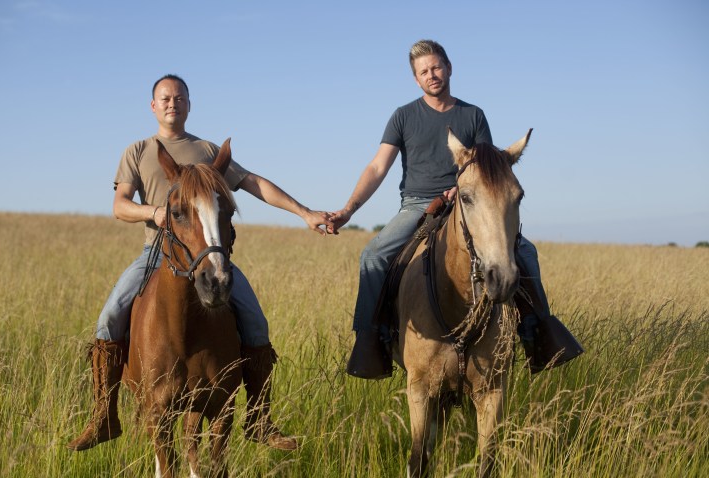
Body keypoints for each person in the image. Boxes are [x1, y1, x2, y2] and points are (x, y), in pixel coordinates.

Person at [68, 74, 331, 452]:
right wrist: (154, 212)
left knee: (255, 321)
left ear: (189, 105)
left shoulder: (208, 151)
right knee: (110, 317)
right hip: (157, 252)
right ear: (153, 106)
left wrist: (304, 212)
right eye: (165, 98)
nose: (172, 103)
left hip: (207, 253)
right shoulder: (138, 151)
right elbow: (119, 205)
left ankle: (259, 418)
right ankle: (103, 417)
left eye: (179, 98)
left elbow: (254, 184)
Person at [328, 40, 583, 379]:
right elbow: (377, 167)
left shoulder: (473, 114)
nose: (431, 75)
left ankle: (538, 334)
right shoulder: (403, 116)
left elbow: (487, 169)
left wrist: (461, 188)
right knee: (373, 256)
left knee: (525, 252)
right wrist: (348, 209)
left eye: (436, 67)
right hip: (419, 204)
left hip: (470, 201)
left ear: (449, 68)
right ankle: (372, 340)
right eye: (423, 72)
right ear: (416, 79)